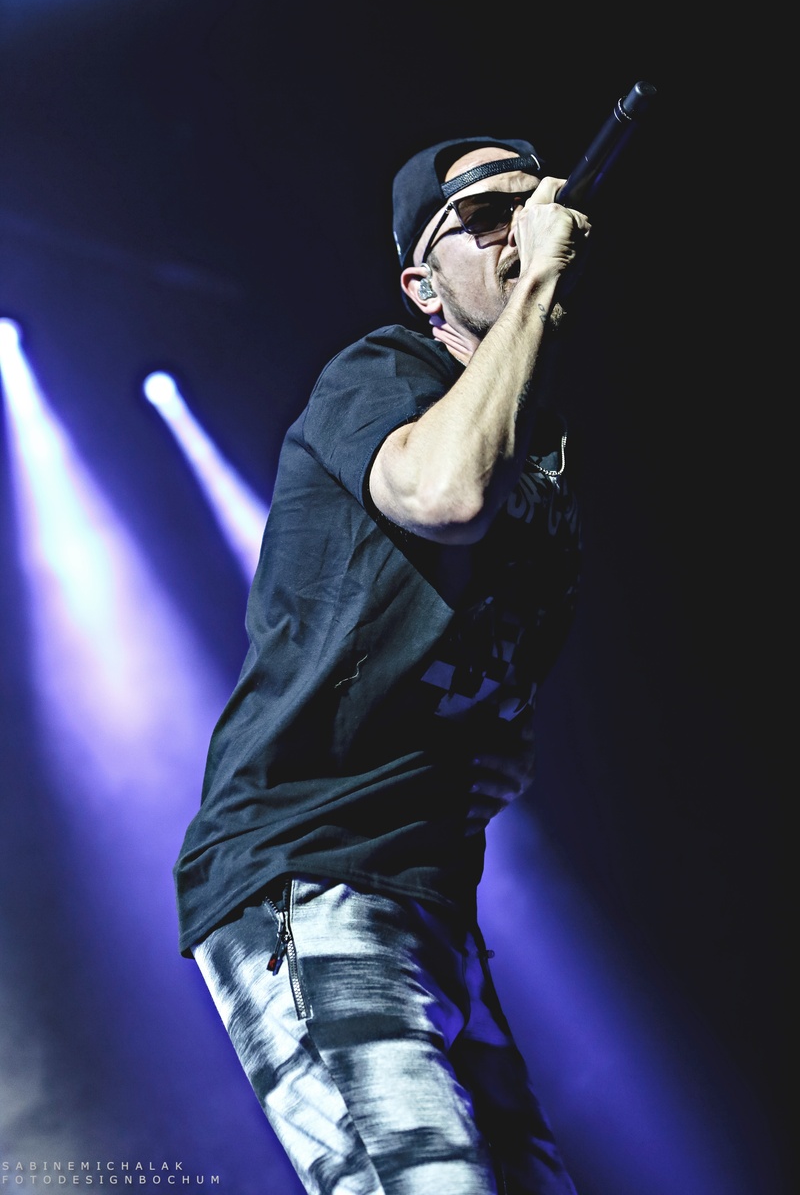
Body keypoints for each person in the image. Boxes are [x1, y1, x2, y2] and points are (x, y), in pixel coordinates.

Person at [174, 133, 593, 1195]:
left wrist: (504, 744)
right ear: (422, 285)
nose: (519, 227)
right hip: (309, 867)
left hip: (430, 894)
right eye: (483, 217)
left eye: (531, 204)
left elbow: (480, 640)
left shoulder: (537, 449)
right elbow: (445, 497)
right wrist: (537, 279)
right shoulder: (381, 376)